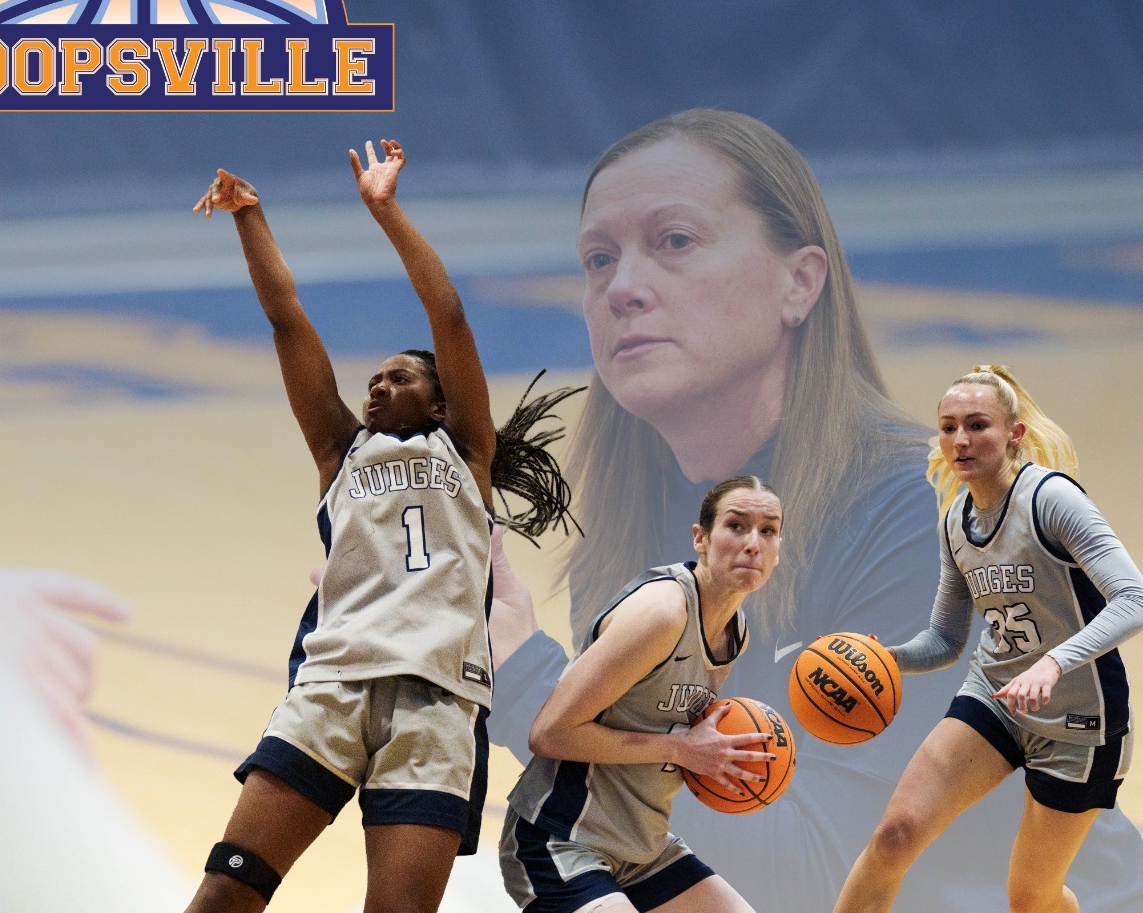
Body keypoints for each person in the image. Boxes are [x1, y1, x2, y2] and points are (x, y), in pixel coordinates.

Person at [468, 109, 1143, 912]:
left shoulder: (920, 514)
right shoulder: (632, 531)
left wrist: (525, 680)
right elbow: (643, 824)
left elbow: (824, 875)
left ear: (800, 282)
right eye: (599, 259)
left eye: (675, 241)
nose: (622, 288)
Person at [182, 140, 574, 913]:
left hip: (439, 701)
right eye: (372, 379)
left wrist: (385, 209)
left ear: (440, 400)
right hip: (334, 682)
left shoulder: (466, 451)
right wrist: (249, 216)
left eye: (400, 377)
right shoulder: (341, 452)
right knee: (228, 887)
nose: (377, 386)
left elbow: (448, 313)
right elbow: (286, 319)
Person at [834, 367, 1143, 913]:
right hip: (996, 697)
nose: (961, 439)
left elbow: (1133, 598)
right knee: (894, 838)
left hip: (1080, 720)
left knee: (1031, 899)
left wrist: (1053, 663)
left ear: (1014, 434)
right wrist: (885, 658)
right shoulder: (957, 520)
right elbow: (945, 639)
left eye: (977, 425)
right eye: (948, 427)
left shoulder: (1050, 499)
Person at [501, 475, 783, 913]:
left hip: (642, 847)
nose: (753, 544)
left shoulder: (735, 632)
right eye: (736, 525)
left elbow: (679, 729)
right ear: (701, 539)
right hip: (562, 837)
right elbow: (549, 734)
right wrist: (683, 750)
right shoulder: (662, 613)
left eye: (768, 530)